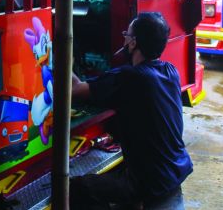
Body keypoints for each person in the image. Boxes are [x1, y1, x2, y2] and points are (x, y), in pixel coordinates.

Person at [70, 12, 193, 209]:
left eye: (126, 35)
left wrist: (55, 53)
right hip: (176, 171)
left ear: (133, 43)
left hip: (150, 183)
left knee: (75, 187)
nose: (124, 39)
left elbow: (75, 90)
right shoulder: (171, 71)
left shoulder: (130, 77)